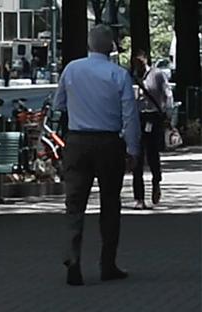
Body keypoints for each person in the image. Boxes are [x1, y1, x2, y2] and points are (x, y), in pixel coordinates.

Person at [54, 24, 139, 286]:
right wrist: (133, 149)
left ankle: (73, 258)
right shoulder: (119, 75)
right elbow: (130, 115)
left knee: (74, 204)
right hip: (108, 143)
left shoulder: (72, 69)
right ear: (112, 46)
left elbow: (59, 104)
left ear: (89, 45)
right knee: (110, 203)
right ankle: (107, 263)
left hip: (77, 141)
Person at [133, 50, 173, 209]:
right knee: (137, 156)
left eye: (140, 63)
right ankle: (139, 197)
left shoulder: (157, 75)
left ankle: (156, 181)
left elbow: (168, 94)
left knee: (153, 154)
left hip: (154, 117)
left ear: (145, 61)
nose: (138, 66)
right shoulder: (132, 77)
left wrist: (168, 115)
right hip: (138, 118)